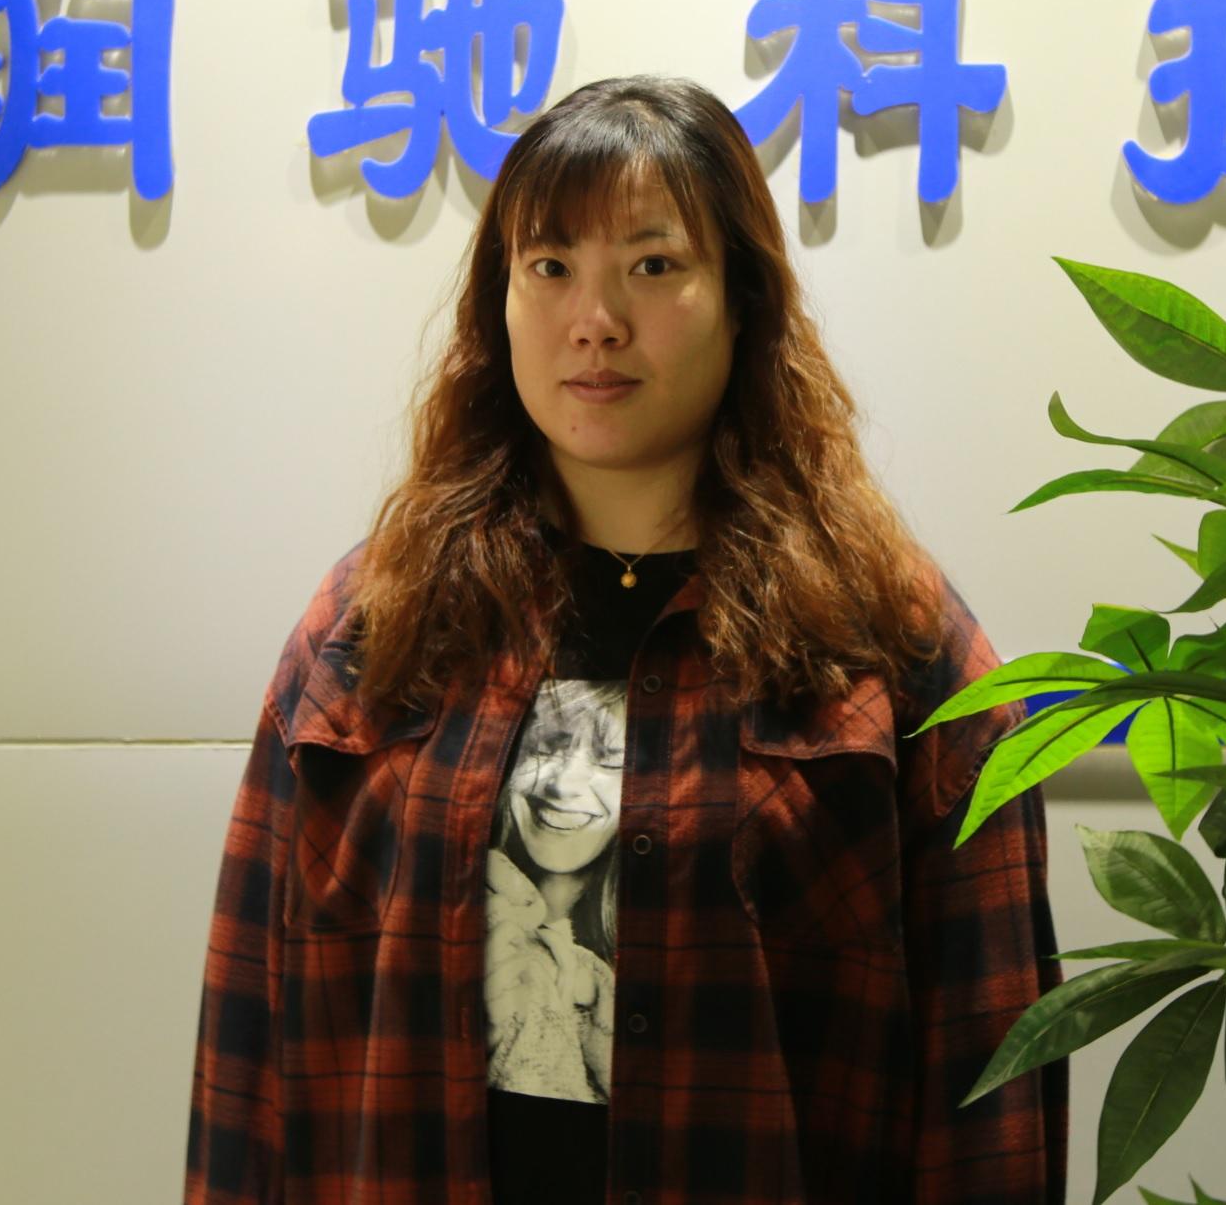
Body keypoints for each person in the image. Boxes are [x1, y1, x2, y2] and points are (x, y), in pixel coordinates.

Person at [184, 75, 1067, 1205]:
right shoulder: (376, 620)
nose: (595, 319)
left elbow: (990, 1077)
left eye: (653, 265)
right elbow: (249, 1040)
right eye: (550, 265)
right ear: (497, 301)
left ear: (743, 298)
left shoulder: (886, 641)